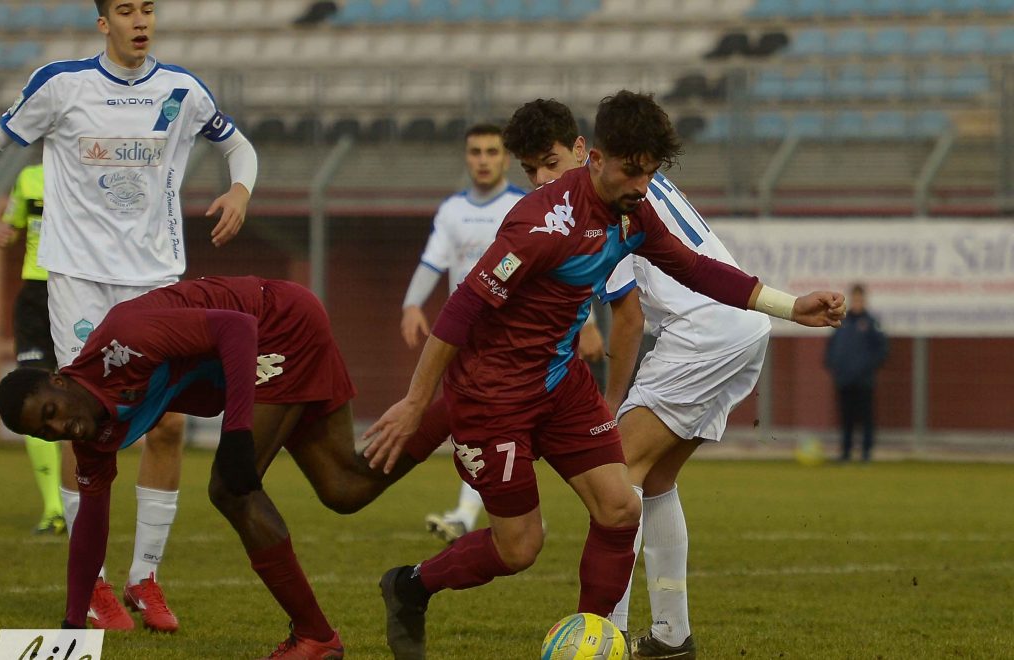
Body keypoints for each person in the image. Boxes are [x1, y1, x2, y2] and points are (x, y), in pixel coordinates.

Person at [362, 90, 846, 660]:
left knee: (621, 506)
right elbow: (461, 309)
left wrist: (792, 307)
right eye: (632, 171)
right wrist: (416, 402)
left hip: (560, 385)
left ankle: (593, 642)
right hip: (493, 397)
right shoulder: (543, 223)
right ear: (594, 158)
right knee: (520, 548)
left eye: (650, 172)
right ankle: (411, 586)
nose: (643, 185)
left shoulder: (632, 212)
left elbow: (695, 269)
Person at [0, 0, 258, 633]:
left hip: (156, 278)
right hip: (79, 281)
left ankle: (145, 578)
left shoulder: (182, 90)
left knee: (166, 425)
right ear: (104, 22)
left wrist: (240, 189)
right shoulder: (62, 84)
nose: (141, 21)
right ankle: (94, 585)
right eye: (126, 10)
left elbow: (238, 146)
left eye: (148, 9)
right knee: (84, 424)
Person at [0, 275, 456, 659]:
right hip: (276, 334)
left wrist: (236, 432)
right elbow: (91, 527)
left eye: (51, 412)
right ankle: (463, 403)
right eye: (47, 432)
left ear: (59, 380)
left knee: (229, 489)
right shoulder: (90, 437)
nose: (61, 428)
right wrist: (72, 625)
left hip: (278, 323)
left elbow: (235, 328)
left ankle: (315, 637)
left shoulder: (125, 338)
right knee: (345, 488)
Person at [502, 98, 774, 660]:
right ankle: (672, 634)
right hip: (739, 329)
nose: (543, 179)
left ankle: (608, 635)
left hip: (703, 332)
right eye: (530, 170)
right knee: (655, 479)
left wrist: (608, 404)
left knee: (616, 476)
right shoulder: (632, 178)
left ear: (585, 151)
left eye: (551, 163)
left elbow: (628, 317)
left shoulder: (601, 200)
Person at [401, 124, 523, 544]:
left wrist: (590, 325)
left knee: (485, 422)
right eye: (476, 152)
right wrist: (411, 304)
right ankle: (512, 513)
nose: (483, 160)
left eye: (492, 151)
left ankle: (474, 514)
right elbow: (433, 261)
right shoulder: (452, 210)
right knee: (486, 423)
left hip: (513, 334)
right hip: (465, 335)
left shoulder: (522, 205)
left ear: (506, 158)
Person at [0, 162, 67, 536]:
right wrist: (4, 232)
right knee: (33, 392)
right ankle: (54, 509)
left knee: (80, 393)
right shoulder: (27, 178)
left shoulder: (91, 167)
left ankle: (81, 499)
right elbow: (12, 223)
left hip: (75, 290)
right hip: (35, 296)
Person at [825, 283, 888, 462]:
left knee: (866, 417)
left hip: (864, 380)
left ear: (864, 300)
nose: (857, 302)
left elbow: (882, 349)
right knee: (846, 418)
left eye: (860, 299)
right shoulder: (842, 322)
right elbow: (832, 347)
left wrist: (866, 367)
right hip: (844, 379)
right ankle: (846, 452)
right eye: (855, 299)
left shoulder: (871, 323)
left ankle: (866, 452)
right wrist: (834, 365)